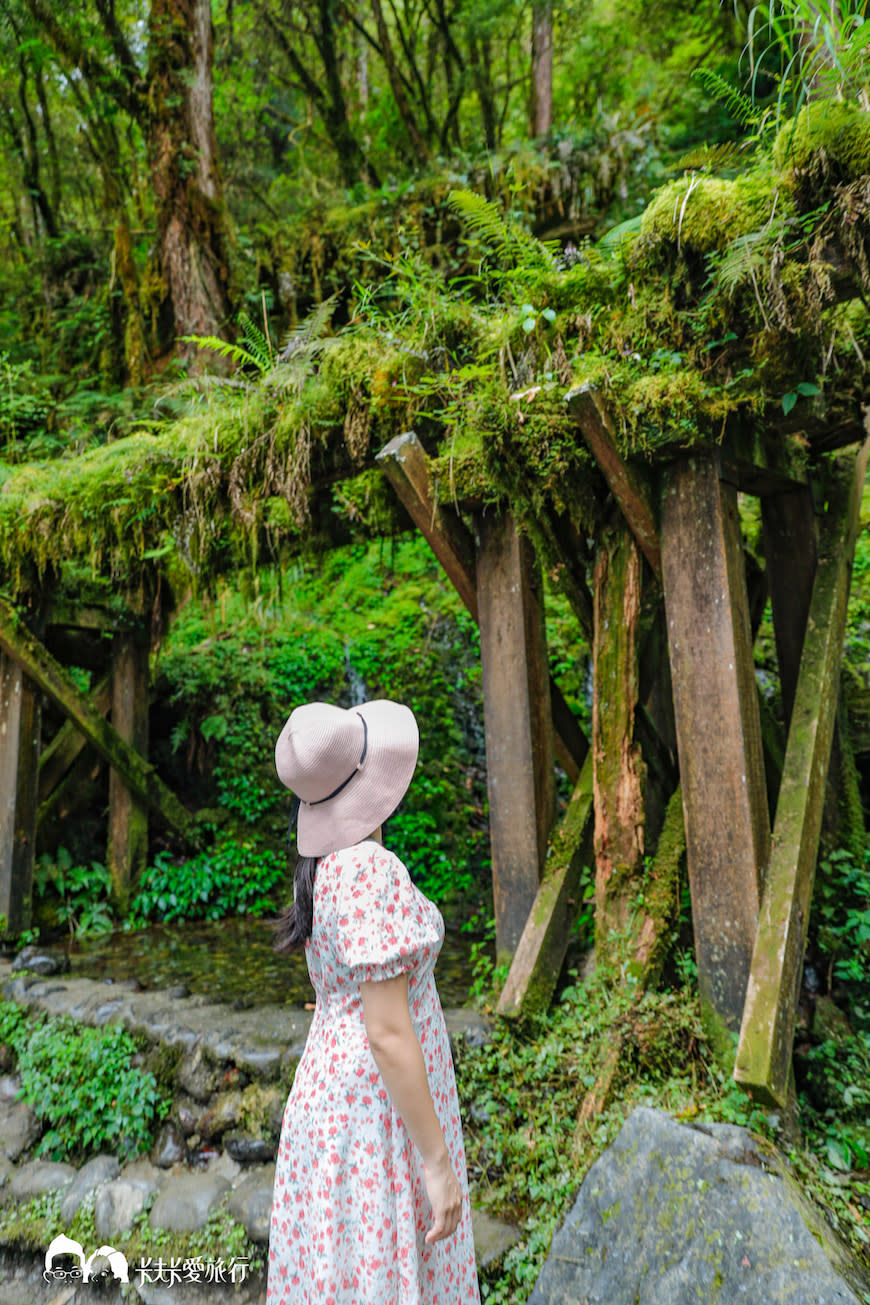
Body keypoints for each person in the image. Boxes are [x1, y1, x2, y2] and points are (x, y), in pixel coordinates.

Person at [266, 699, 481, 1305]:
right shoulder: (369, 871)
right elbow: (386, 1031)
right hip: (374, 1110)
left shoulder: (323, 865)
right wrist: (437, 1163)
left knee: (345, 1271)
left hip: (329, 1099)